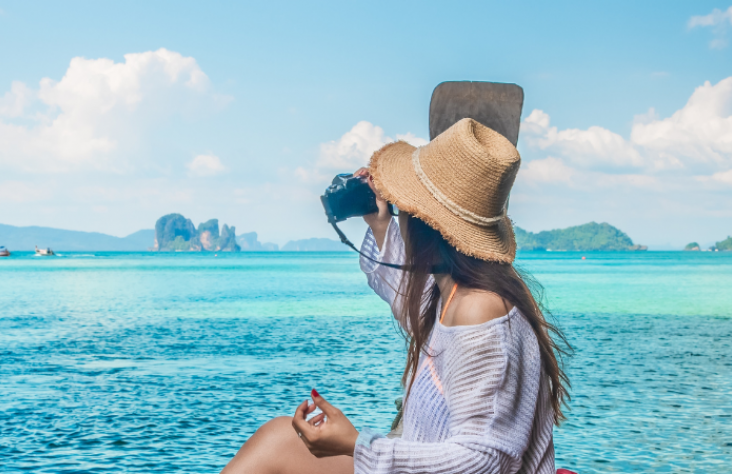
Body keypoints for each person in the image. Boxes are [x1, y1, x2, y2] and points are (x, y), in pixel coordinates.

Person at [222, 118, 571, 474]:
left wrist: (357, 445)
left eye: (404, 207)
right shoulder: (455, 292)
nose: (400, 215)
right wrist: (380, 222)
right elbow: (407, 296)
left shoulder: (479, 309)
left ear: (424, 224)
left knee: (277, 445)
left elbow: (484, 461)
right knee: (280, 437)